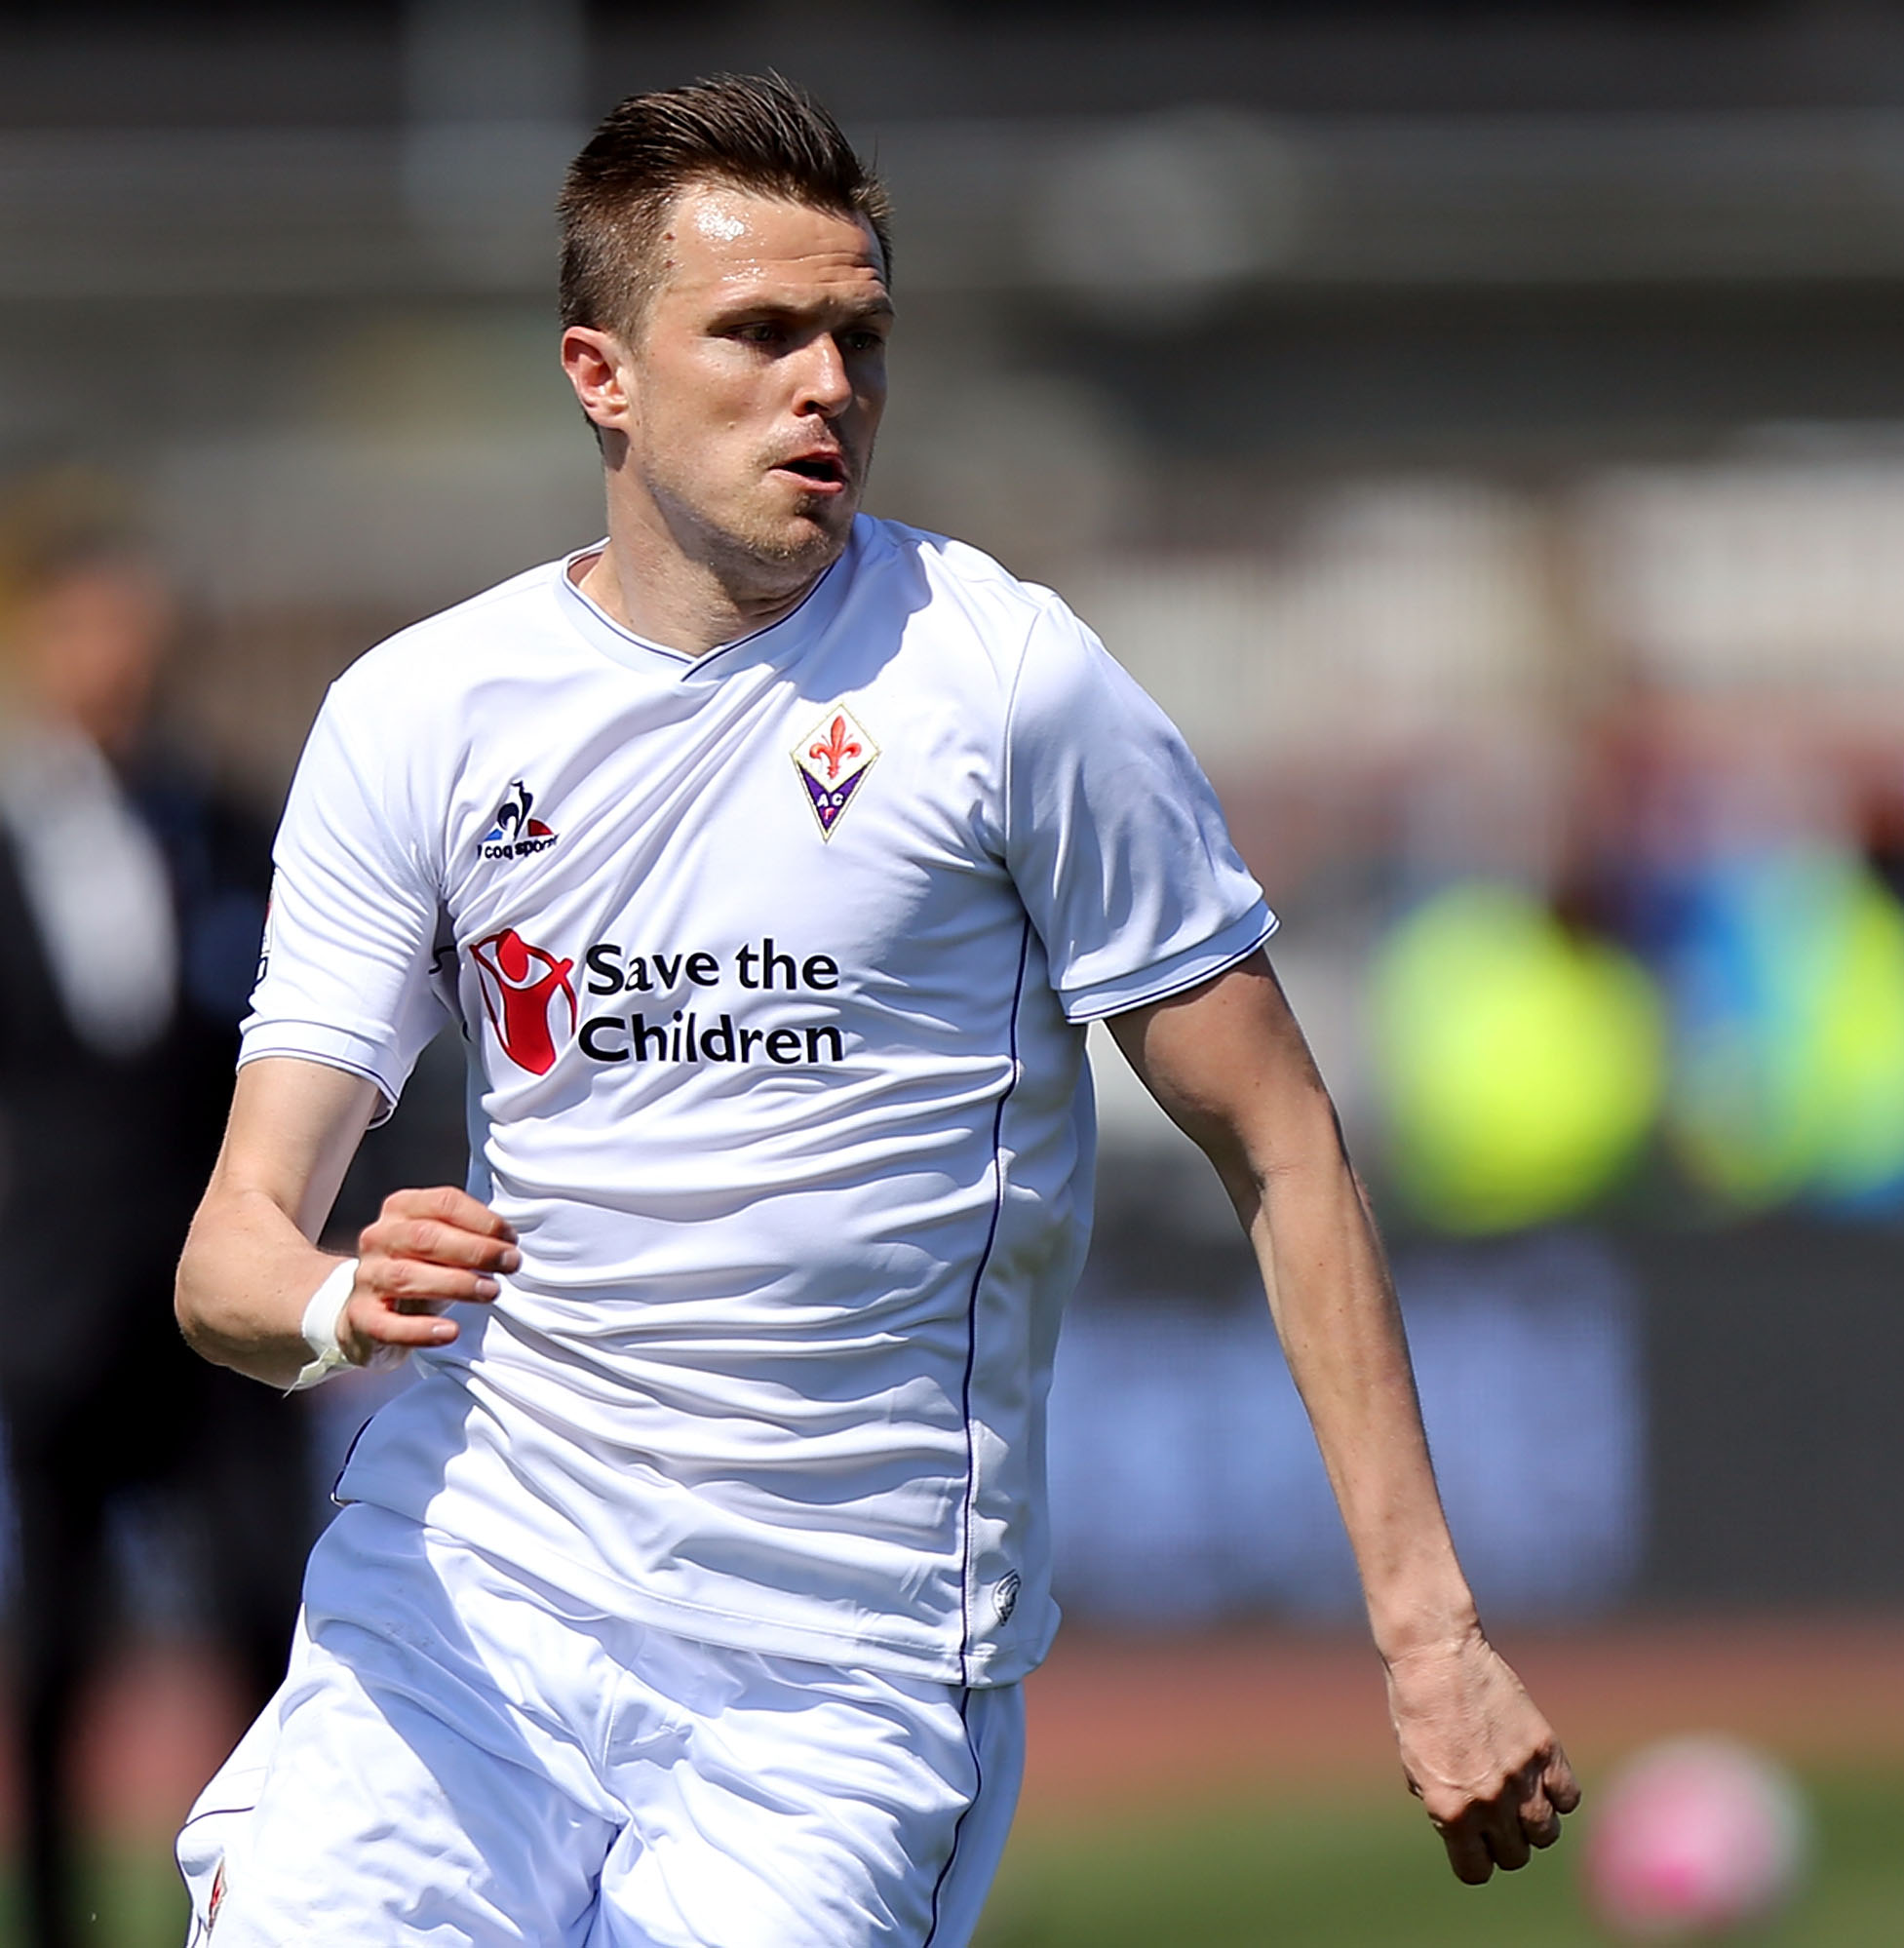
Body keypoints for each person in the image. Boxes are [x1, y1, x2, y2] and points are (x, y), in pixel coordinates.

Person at [172, 74, 1577, 1946]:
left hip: (841, 1670)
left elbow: (1281, 1141)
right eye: (758, 332)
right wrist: (349, 1299)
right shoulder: (421, 714)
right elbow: (228, 1261)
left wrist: (1434, 1635)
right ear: (602, 372)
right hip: (473, 1598)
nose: (826, 382)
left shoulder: (1011, 687)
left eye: (860, 335)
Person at [0, 540, 307, 1948]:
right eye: (81, 632)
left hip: (230, 1317)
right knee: (51, 1652)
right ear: (36, 647)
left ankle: (279, 1903)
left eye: (132, 633)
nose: (110, 664)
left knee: (271, 1616)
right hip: (53, 1312)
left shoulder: (247, 831)